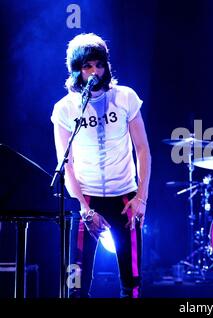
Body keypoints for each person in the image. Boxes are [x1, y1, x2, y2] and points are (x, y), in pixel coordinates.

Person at [51, 33, 151, 298]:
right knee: (76, 285)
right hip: (86, 199)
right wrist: (84, 209)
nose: (94, 71)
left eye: (99, 64)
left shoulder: (126, 97)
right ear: (76, 70)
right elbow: (66, 162)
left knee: (132, 283)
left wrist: (141, 197)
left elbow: (143, 149)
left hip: (125, 199)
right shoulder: (65, 109)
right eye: (87, 66)